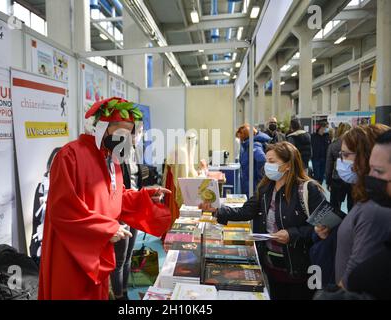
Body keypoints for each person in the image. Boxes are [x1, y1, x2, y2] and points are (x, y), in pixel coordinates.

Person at [38, 97, 171, 300]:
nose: (126, 137)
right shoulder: (70, 155)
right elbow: (63, 208)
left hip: (98, 252)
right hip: (73, 253)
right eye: (121, 131)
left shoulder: (111, 160)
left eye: (130, 132)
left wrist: (146, 197)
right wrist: (105, 229)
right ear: (103, 127)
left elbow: (115, 197)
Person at [203, 142, 326, 300]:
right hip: (272, 268)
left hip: (300, 270)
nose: (267, 165)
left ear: (288, 165)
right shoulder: (265, 188)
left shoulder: (308, 190)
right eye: (267, 161)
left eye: (272, 162)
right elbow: (245, 211)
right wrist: (217, 210)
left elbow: (323, 227)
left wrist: (292, 234)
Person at [334, 125, 391, 289]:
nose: (342, 161)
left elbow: (354, 275)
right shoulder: (365, 198)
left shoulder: (375, 210)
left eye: (346, 155)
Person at [110, 124, 144, 301]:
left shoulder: (136, 150)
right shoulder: (117, 153)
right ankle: (118, 296)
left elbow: (138, 179)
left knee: (130, 253)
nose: (139, 135)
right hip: (122, 210)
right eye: (137, 132)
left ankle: (124, 291)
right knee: (119, 259)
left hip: (135, 207)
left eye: (140, 131)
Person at [325, 123, 353, 212]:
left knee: (335, 207)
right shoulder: (355, 144)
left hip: (337, 179)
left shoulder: (333, 145)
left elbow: (329, 166)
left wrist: (328, 182)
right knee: (352, 206)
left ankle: (336, 225)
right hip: (353, 179)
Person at [238, 124, 271, 196]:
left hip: (253, 185)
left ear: (244, 135)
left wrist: (260, 178)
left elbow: (262, 159)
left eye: (239, 135)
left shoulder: (254, 145)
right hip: (250, 184)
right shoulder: (249, 145)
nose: (239, 138)